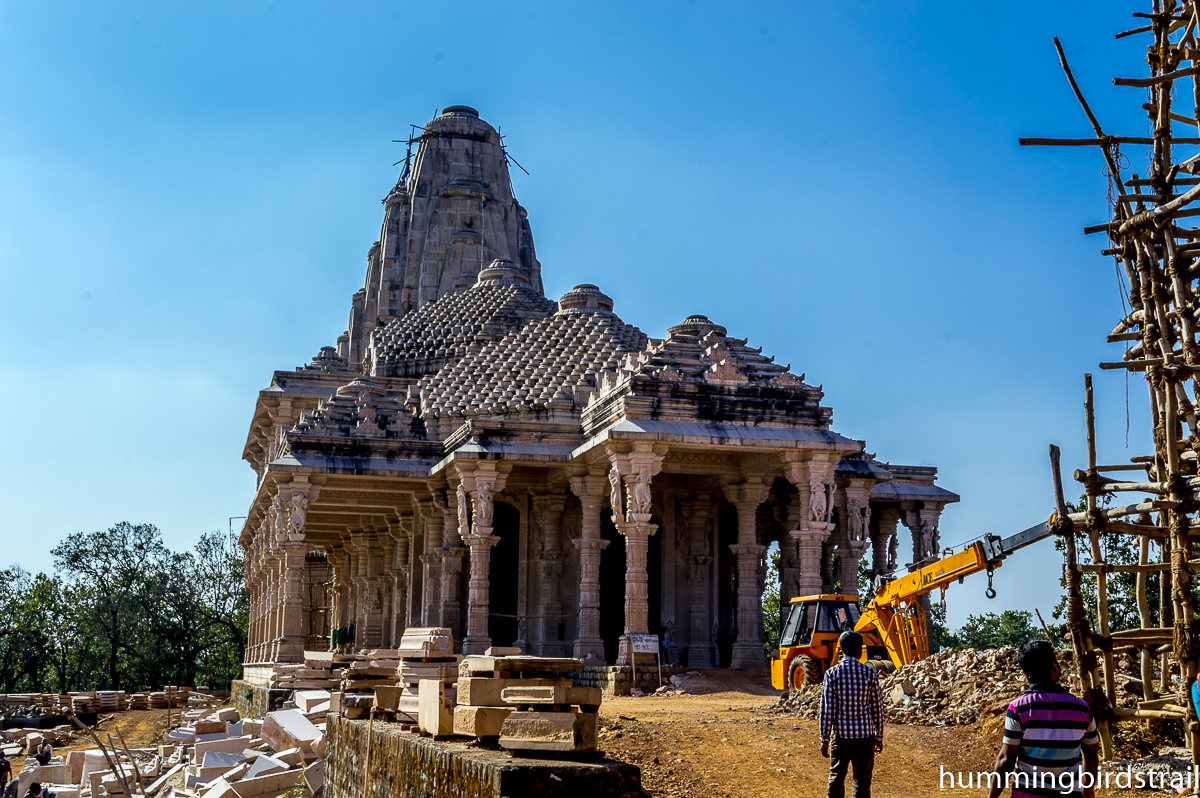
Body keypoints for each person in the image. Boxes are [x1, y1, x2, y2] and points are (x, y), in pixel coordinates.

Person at [988, 640, 1099, 798]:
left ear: (1027, 673)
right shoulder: (1082, 708)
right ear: (1054, 666)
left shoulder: (1018, 708)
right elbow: (1091, 755)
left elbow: (1006, 759)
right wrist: (1088, 791)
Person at [819, 631, 884, 798]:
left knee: (836, 778)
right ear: (857, 649)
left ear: (841, 649)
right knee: (862, 782)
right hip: (865, 737)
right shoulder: (869, 673)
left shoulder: (831, 674)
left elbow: (827, 709)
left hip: (841, 737)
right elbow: (877, 707)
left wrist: (824, 739)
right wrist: (879, 737)